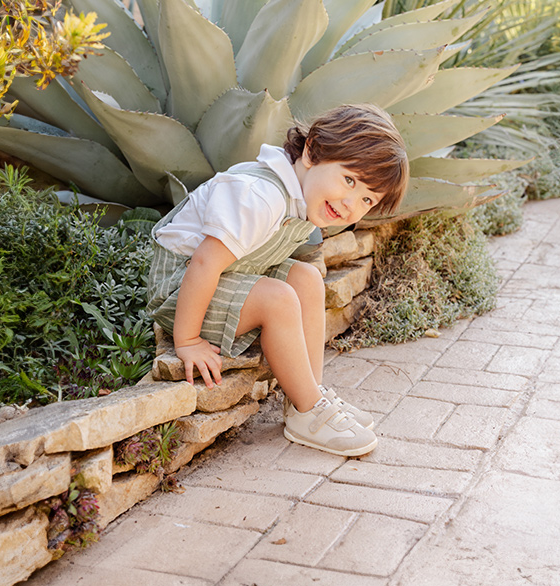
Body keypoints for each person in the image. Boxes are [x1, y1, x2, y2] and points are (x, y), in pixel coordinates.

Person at [147, 104, 409, 456]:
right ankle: (308, 412)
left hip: (225, 277)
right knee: (279, 298)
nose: (350, 203)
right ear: (313, 150)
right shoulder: (261, 194)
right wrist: (188, 340)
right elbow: (204, 262)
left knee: (306, 278)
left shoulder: (299, 194)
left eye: (366, 198)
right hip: (179, 291)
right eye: (349, 180)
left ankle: (308, 396)